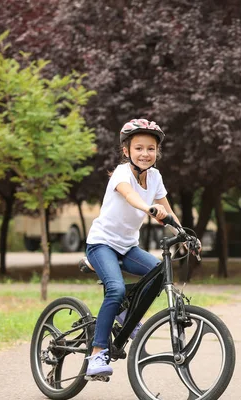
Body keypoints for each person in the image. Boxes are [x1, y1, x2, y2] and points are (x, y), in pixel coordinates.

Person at [84, 118, 182, 377]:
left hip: (127, 247)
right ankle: (96, 355)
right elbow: (130, 195)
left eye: (151, 148)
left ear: (157, 153)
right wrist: (149, 209)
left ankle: (126, 314)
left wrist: (184, 235)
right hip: (101, 244)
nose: (145, 153)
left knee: (160, 272)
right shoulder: (121, 173)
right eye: (138, 148)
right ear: (127, 151)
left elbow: (168, 212)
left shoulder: (156, 177)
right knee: (114, 289)